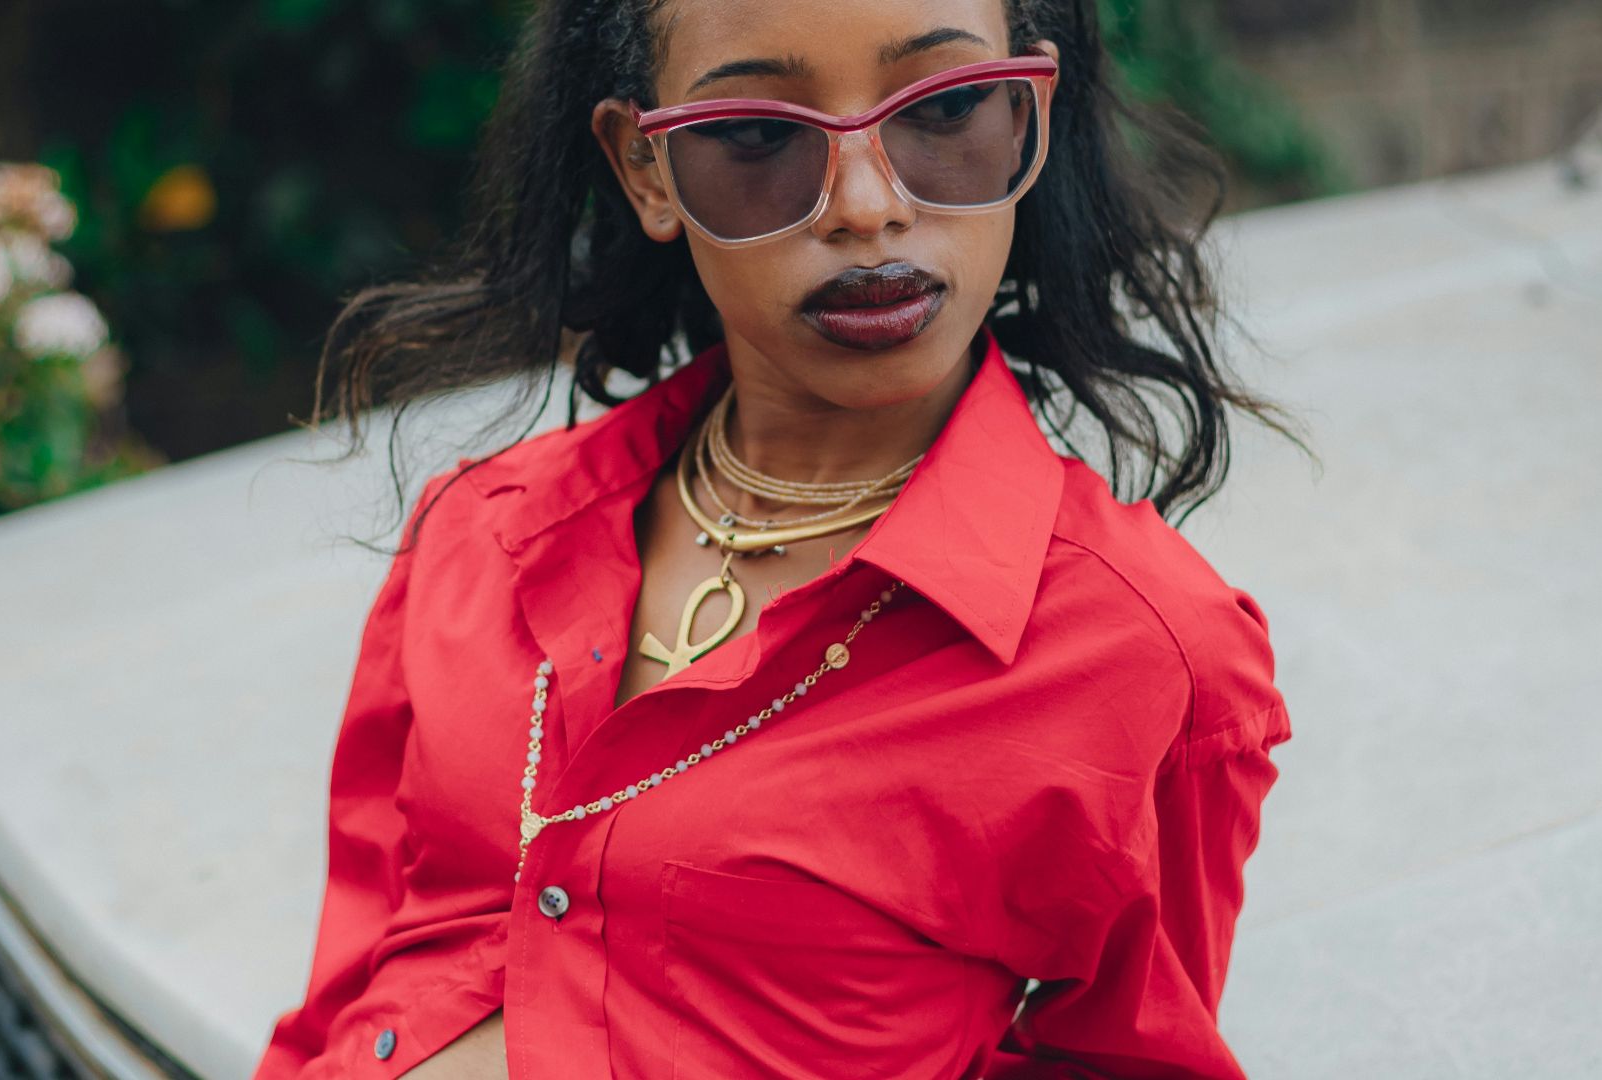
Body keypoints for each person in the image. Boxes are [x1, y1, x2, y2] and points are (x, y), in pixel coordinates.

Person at [254, 0, 1308, 1076]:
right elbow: (342, 1004)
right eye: (759, 134)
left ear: (1027, 115)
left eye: (945, 110)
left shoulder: (1141, 655)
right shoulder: (481, 531)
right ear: (646, 169)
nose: (867, 207)